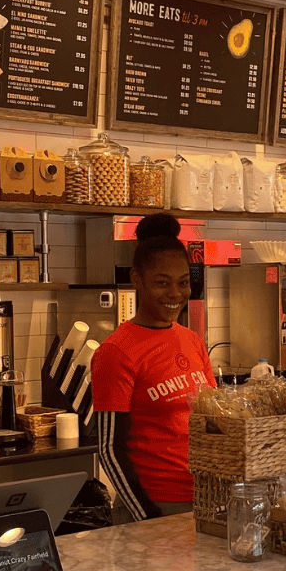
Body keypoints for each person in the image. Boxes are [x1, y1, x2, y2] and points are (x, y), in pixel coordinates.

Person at [91, 212, 216, 522]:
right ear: (138, 280)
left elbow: (213, 419)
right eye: (162, 283)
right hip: (155, 504)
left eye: (183, 282)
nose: (175, 294)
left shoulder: (192, 341)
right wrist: (147, 517)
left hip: (205, 498)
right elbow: (109, 449)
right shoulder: (117, 351)